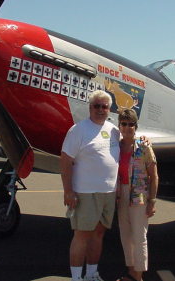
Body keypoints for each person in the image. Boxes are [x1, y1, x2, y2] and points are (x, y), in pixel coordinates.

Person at [61, 90, 120, 281]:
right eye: (97, 106)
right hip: (86, 193)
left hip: (108, 193)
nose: (100, 110)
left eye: (104, 106)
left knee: (99, 234)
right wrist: (68, 191)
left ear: (109, 109)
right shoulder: (78, 129)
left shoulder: (113, 130)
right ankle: (76, 278)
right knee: (82, 236)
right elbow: (65, 160)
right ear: (90, 108)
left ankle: (92, 274)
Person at [116, 109, 158, 281]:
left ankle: (139, 276)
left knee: (139, 237)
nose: (127, 127)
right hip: (121, 195)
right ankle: (131, 272)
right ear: (119, 126)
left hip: (139, 196)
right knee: (125, 236)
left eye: (131, 124)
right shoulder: (115, 145)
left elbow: (154, 175)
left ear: (136, 126)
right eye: (124, 124)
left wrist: (152, 201)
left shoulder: (144, 145)